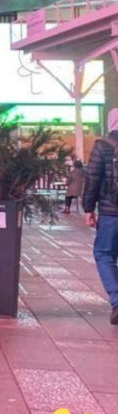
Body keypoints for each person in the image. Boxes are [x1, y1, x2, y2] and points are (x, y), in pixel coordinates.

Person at [82, 107, 118, 326]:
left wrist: (88, 209)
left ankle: (117, 299)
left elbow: (92, 179)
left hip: (111, 212)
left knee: (104, 254)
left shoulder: (102, 146)